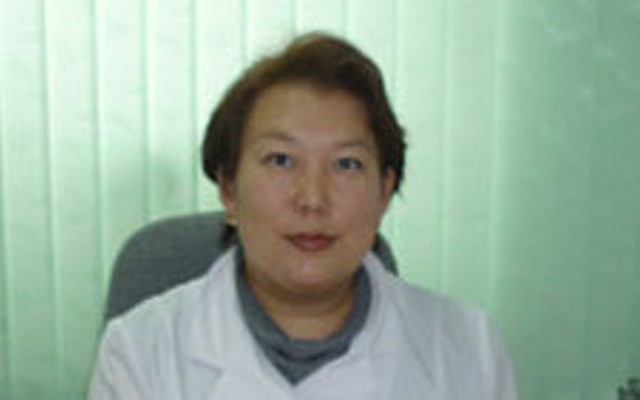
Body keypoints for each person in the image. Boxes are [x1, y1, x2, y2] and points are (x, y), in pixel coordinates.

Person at [89, 32, 518, 399]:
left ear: (384, 193)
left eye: (346, 164)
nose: (313, 199)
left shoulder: (468, 350)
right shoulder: (141, 351)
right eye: (280, 160)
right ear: (229, 189)